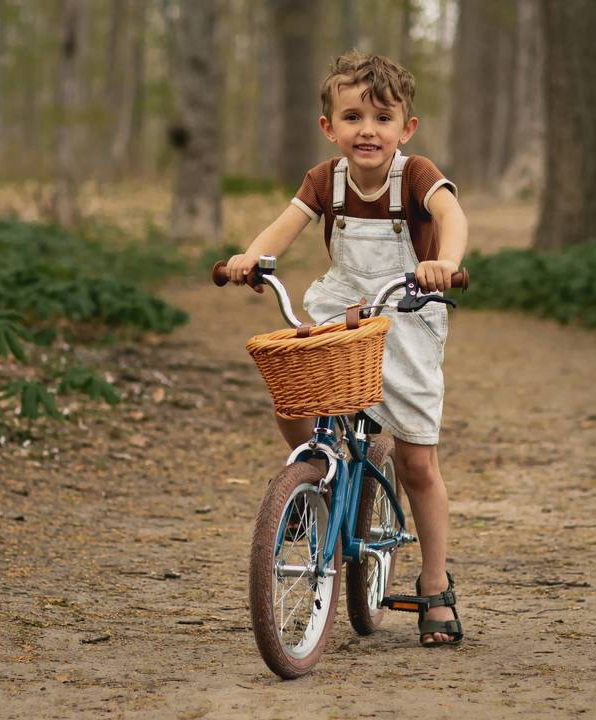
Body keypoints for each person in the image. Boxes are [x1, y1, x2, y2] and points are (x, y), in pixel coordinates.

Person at [226, 50, 468, 646]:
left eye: (383, 118)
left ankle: (435, 584)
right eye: (353, 116)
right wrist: (251, 257)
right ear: (328, 126)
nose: (368, 130)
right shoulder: (323, 179)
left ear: (405, 128)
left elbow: (451, 214)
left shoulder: (414, 175)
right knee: (294, 394)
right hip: (345, 304)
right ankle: (316, 478)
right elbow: (285, 225)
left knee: (416, 460)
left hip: (408, 305)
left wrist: (445, 262)